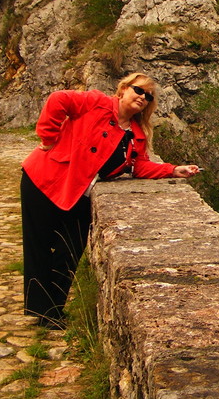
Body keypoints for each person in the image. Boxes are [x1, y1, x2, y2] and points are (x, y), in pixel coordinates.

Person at [20, 73, 200, 328]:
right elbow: (58, 100)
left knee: (69, 250)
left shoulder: (135, 135)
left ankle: (52, 309)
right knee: (38, 245)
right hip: (45, 179)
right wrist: (48, 138)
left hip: (81, 195)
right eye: (139, 91)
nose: (143, 98)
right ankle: (44, 310)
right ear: (123, 89)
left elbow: (140, 167)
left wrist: (172, 170)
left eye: (148, 97)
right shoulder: (96, 102)